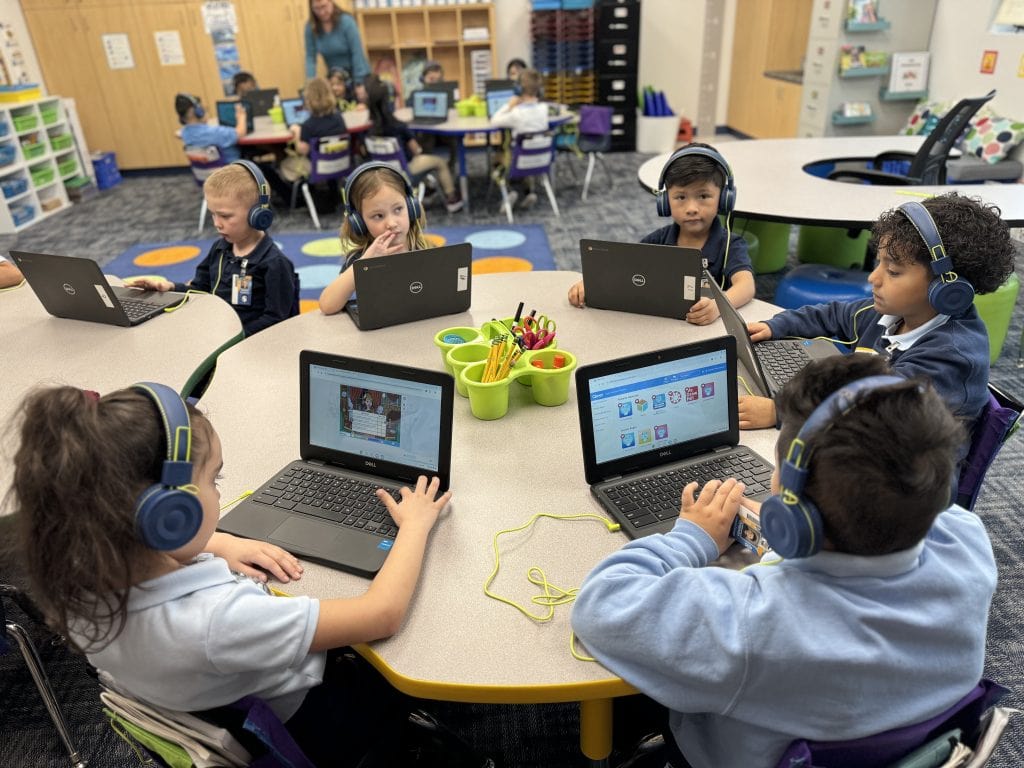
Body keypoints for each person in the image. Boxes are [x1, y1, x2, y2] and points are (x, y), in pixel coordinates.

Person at [571, 353, 996, 768]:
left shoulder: (750, 625)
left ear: (794, 515)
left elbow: (600, 604)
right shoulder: (967, 543)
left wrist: (692, 537)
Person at [8, 381, 452, 767]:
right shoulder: (220, 621)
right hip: (315, 721)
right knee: (404, 657)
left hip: (204, 695)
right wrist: (415, 526)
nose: (219, 491)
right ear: (172, 516)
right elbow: (382, 613)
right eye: (215, 480)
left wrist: (219, 541)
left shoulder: (78, 578)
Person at [737, 192, 1015, 431]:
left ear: (946, 289)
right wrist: (778, 326)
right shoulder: (894, 313)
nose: (873, 277)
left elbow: (874, 410)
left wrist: (780, 412)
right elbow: (835, 314)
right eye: (879, 263)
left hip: (902, 478)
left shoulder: (952, 358)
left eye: (893, 271)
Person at [567, 142, 756, 324]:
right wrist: (590, 284)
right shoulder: (659, 239)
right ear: (665, 201)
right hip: (663, 326)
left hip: (710, 330)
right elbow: (623, 266)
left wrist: (718, 307)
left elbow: (746, 286)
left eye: (703, 196)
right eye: (681, 197)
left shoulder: (730, 243)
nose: (691, 208)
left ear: (724, 198)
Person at [127, 162, 296, 337]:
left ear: (258, 215)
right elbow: (200, 288)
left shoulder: (274, 263)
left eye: (225, 216)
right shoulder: (220, 249)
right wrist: (168, 287)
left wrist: (234, 339)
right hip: (216, 329)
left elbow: (276, 320)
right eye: (213, 214)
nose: (216, 223)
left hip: (247, 343)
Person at [318, 162, 429, 315]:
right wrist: (364, 262)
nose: (391, 223)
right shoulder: (361, 258)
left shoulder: (426, 250)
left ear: (411, 207)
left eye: (398, 209)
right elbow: (327, 305)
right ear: (359, 222)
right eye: (378, 216)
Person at [363, 73, 463, 213]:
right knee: (439, 162)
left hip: (382, 175)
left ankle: (430, 188)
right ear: (388, 101)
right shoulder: (398, 126)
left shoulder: (369, 130)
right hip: (405, 172)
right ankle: (452, 200)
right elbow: (416, 151)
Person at [489, 67, 549, 212]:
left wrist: (509, 105)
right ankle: (529, 192)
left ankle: (509, 191)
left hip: (519, 161)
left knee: (497, 158)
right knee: (524, 152)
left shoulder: (517, 113)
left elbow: (495, 120)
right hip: (541, 160)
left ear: (518, 89)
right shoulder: (544, 109)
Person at [304, 0, 370, 84]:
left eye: (324, 6)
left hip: (358, 74)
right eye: (316, 8)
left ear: (331, 2)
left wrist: (359, 82)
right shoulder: (311, 27)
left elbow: (357, 53)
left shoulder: (347, 22)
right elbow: (310, 57)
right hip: (335, 78)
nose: (321, 12)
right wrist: (310, 83)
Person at [176, 93, 247, 163]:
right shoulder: (215, 132)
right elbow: (240, 132)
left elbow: (177, 133)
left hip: (207, 173)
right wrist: (241, 116)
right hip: (232, 169)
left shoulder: (184, 133)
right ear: (199, 112)